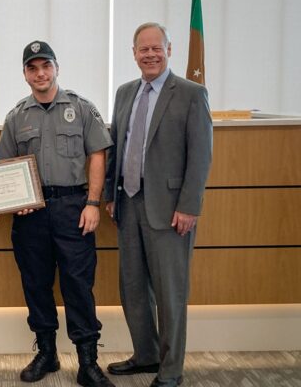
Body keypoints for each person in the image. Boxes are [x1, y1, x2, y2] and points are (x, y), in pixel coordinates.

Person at [0, 41, 115, 387]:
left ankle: (88, 362)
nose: (40, 73)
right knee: (36, 284)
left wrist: (93, 203)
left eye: (45, 66)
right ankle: (46, 353)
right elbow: (4, 167)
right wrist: (14, 199)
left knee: (78, 285)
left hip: (73, 209)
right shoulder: (17, 116)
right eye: (32, 68)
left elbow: (97, 156)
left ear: (57, 68)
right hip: (31, 215)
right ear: (25, 74)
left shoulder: (81, 108)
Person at [104, 22, 212, 387]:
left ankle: (170, 369)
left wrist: (190, 206)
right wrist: (109, 195)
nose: (150, 54)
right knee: (132, 287)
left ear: (170, 49)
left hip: (170, 209)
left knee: (170, 292)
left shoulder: (191, 94)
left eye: (156, 48)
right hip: (128, 202)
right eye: (142, 49)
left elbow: (200, 156)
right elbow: (117, 146)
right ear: (133, 53)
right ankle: (146, 354)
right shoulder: (124, 93)